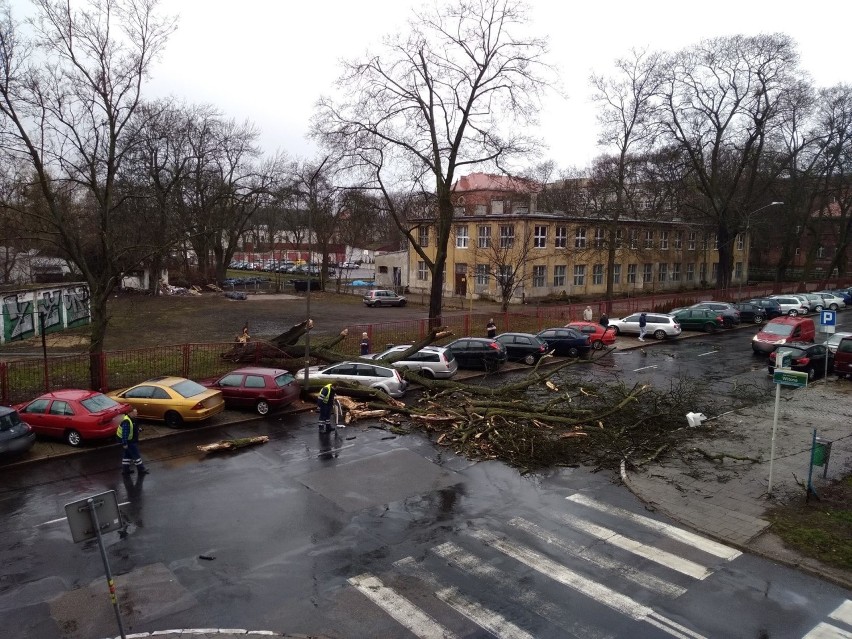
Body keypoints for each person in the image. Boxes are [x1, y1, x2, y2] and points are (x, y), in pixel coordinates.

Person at [117, 409, 149, 475]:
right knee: (136, 455)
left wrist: (139, 430)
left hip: (130, 440)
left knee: (127, 456)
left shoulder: (132, 419)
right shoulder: (127, 421)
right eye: (135, 412)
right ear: (131, 413)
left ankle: (125, 470)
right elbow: (125, 434)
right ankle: (141, 470)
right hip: (130, 442)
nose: (137, 413)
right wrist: (125, 443)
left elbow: (133, 429)